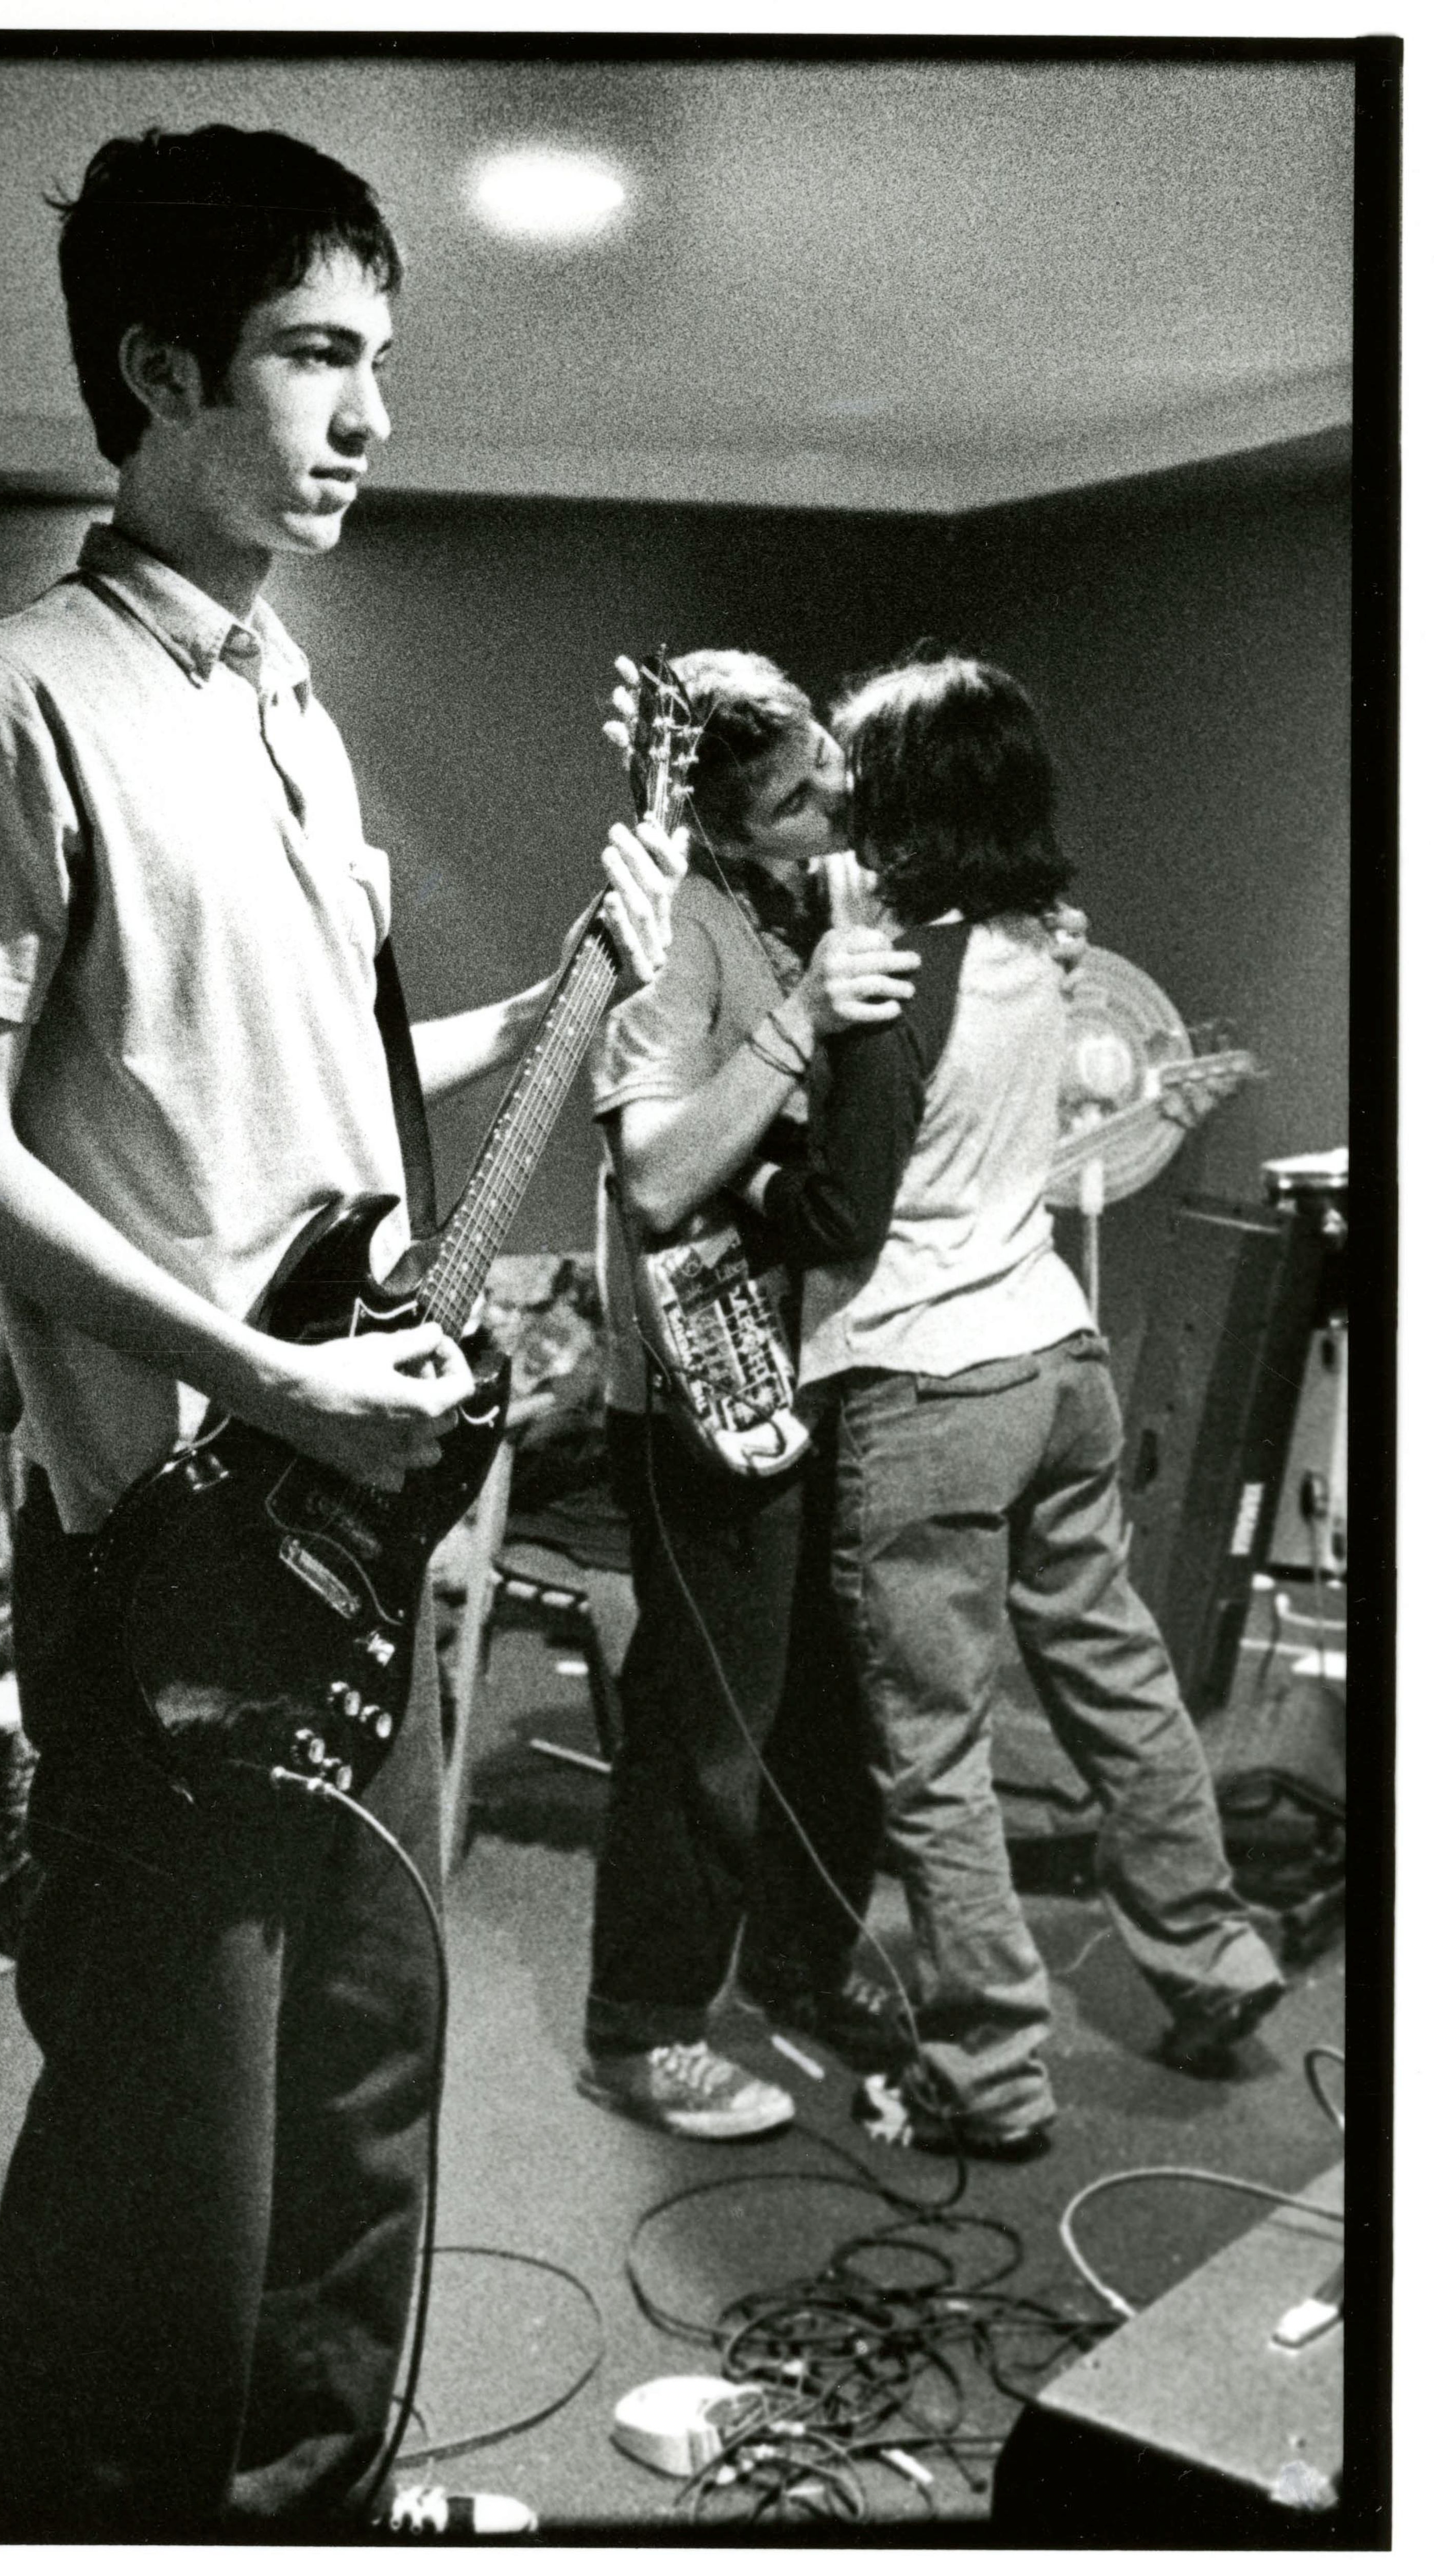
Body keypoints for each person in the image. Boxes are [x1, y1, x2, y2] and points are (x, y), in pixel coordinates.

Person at [0, 123, 682, 2539]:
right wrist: (265, 1377)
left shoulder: (293, 707)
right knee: (169, 2168)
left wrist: (565, 992)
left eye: (378, 361)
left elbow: (318, 1081)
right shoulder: (7, 693)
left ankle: (309, 2504)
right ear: (159, 370)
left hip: (356, 1508)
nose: (368, 415)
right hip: (181, 1543)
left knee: (357, 2100)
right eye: (318, 356)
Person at [740, 650, 1285, 2159]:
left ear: (905, 798)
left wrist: (755, 1178)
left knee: (933, 1752)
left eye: (857, 773)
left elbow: (842, 1215)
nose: (838, 794)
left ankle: (983, 2075)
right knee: (1118, 1679)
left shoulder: (891, 983)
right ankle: (1215, 1961)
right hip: (1056, 1359)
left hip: (929, 1387)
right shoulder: (1044, 950)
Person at [578, 650, 923, 2143]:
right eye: (798, 797)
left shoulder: (794, 898)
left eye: (832, 763)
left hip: (820, 1371)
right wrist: (801, 1026)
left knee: (829, 1710)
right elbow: (655, 1176)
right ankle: (643, 2030)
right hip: (700, 1398)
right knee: (709, 1728)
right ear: (722, 825)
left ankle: (796, 1963)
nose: (838, 799)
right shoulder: (683, 937)